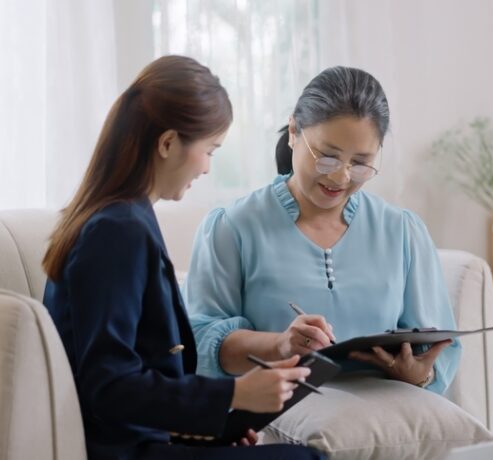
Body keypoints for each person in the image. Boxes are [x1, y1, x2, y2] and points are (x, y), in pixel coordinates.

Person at [41, 55, 324, 460]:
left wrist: (208, 429)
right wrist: (235, 392)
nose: (208, 168)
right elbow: (108, 386)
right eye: (210, 149)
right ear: (168, 142)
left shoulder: (124, 218)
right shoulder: (116, 230)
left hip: (150, 441)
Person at [187, 66, 461, 395]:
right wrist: (281, 346)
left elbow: (439, 355)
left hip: (384, 418)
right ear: (293, 132)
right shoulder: (232, 227)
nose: (340, 178)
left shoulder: (402, 231)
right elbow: (200, 341)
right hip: (279, 414)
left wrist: (419, 375)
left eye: (360, 163)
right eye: (328, 157)